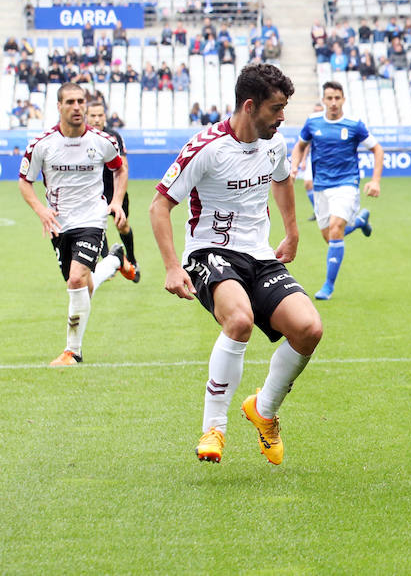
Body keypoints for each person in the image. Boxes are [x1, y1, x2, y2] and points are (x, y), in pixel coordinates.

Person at [149, 64, 322, 465]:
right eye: (277, 109)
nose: (282, 118)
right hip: (209, 252)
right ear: (249, 106)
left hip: (258, 255)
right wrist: (173, 267)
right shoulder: (206, 148)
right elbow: (160, 205)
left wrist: (292, 231)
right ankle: (214, 428)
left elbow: (282, 179)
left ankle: (264, 409)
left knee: (309, 329)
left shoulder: (274, 144)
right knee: (239, 320)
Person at [18, 83, 134, 366]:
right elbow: (25, 181)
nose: (78, 107)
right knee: (85, 286)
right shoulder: (42, 144)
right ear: (59, 106)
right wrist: (41, 211)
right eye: (70, 101)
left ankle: (73, 352)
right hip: (60, 223)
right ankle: (115, 261)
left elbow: (119, 168)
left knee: (76, 279)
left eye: (81, 101)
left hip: (92, 219)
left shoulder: (102, 140)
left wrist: (116, 202)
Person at [292, 81, 383, 301]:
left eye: (337, 98)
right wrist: (294, 166)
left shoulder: (354, 124)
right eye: (329, 98)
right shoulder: (313, 122)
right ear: (323, 100)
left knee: (335, 230)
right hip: (321, 187)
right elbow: (300, 146)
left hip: (346, 184)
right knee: (329, 236)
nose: (333, 102)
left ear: (343, 100)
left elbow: (377, 149)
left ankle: (328, 286)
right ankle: (359, 222)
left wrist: (375, 181)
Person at [86, 100, 141, 282]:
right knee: (97, 228)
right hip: (94, 193)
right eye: (92, 115)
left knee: (122, 225)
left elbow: (123, 166)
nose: (96, 119)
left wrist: (118, 199)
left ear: (105, 116)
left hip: (115, 190)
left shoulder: (113, 136)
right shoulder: (82, 138)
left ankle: (132, 260)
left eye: (100, 115)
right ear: (87, 116)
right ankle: (107, 262)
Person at [290, 103, 325, 221]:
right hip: (313, 158)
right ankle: (318, 210)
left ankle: (325, 211)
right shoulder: (311, 124)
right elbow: (305, 144)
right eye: (315, 110)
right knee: (308, 184)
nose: (317, 113)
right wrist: (303, 160)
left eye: (319, 111)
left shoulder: (328, 124)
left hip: (326, 161)